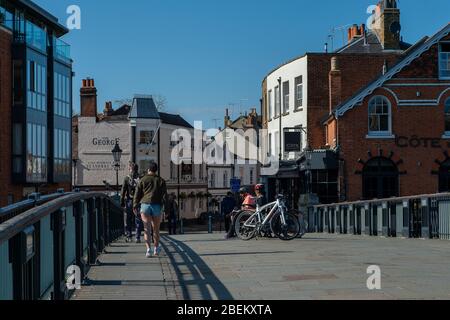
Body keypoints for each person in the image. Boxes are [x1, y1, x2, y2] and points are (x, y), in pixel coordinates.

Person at [133, 162, 167, 258]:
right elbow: (165, 196)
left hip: (145, 205)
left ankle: (148, 250)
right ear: (156, 170)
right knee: (156, 229)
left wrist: (135, 205)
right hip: (156, 206)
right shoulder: (161, 180)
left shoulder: (143, 180)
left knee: (146, 229)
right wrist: (166, 210)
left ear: (148, 170)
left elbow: (137, 194)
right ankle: (156, 249)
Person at [120, 162, 144, 243]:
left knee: (128, 219)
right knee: (138, 218)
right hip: (138, 201)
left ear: (130, 169)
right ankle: (137, 236)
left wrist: (122, 202)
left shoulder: (127, 178)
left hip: (129, 201)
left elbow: (123, 190)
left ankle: (129, 236)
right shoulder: (141, 177)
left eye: (129, 168)